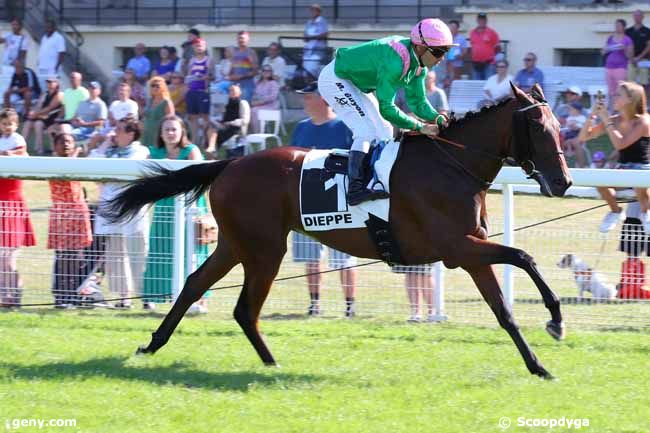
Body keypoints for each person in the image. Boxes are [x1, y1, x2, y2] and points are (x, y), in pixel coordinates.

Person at [318, 18, 453, 205]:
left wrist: (437, 117)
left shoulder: (418, 67)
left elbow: (418, 102)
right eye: (439, 52)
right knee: (365, 131)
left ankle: (377, 179)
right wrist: (421, 127)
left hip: (354, 83)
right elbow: (387, 108)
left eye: (446, 51)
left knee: (385, 130)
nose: (442, 58)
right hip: (335, 79)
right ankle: (355, 189)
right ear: (421, 47)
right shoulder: (395, 63)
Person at [290, 83, 357, 317]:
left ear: (324, 100)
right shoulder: (300, 128)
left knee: (344, 257)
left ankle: (350, 305)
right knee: (310, 256)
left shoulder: (344, 127)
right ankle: (314, 304)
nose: (304, 101)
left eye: (309, 97)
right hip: (306, 200)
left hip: (339, 200)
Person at [142, 115, 210, 313]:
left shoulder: (191, 151)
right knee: (161, 252)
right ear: (161, 133)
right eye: (167, 130)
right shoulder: (154, 153)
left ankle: (199, 300)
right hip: (165, 209)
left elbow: (200, 178)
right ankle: (152, 297)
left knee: (194, 254)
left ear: (182, 131)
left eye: (174, 129)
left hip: (191, 209)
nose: (171, 133)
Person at [92, 118, 150, 308]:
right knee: (115, 254)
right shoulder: (108, 151)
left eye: (118, 130)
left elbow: (125, 171)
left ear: (131, 134)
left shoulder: (140, 151)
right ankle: (122, 297)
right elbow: (91, 164)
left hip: (132, 211)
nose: (114, 133)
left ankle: (145, 297)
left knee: (138, 253)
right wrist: (105, 145)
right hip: (111, 210)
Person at [578, 81, 650, 233]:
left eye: (618, 95)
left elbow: (620, 144)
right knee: (600, 180)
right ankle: (615, 211)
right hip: (623, 169)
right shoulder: (614, 120)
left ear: (631, 99)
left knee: (639, 185)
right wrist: (592, 114)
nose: (614, 97)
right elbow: (584, 136)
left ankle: (646, 213)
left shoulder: (644, 121)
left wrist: (606, 119)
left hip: (642, 169)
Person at [48, 133, 93, 307]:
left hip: (77, 213)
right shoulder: (51, 163)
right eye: (62, 141)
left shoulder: (79, 162)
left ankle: (73, 293)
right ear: (55, 146)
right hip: (61, 214)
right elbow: (64, 173)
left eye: (69, 142)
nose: (65, 145)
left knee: (76, 256)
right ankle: (61, 294)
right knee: (62, 256)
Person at [0, 108, 36, 308]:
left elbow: (21, 153)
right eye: (3, 123)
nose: (6, 127)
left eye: (9, 123)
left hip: (11, 206)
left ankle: (14, 296)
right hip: (0, 205)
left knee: (8, 258)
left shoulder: (18, 142)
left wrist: (9, 154)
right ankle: (4, 298)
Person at [88, 82, 139, 150]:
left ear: (129, 92)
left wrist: (117, 123)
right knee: (94, 137)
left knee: (108, 137)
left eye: (123, 90)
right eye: (120, 90)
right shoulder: (114, 103)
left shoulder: (132, 104)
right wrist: (115, 122)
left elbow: (128, 120)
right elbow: (110, 117)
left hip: (122, 130)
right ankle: (90, 157)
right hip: (110, 128)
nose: (121, 92)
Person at [21, 75, 63, 155]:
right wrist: (33, 112)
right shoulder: (45, 94)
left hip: (52, 119)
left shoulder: (60, 94)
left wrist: (35, 114)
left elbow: (50, 108)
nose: (49, 84)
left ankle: (39, 149)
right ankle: (21, 146)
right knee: (28, 123)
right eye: (48, 82)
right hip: (43, 117)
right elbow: (39, 105)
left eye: (51, 82)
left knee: (38, 124)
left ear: (57, 83)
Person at [206, 83, 250, 152]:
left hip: (235, 128)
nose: (231, 92)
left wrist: (231, 123)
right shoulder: (228, 103)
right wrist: (218, 121)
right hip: (225, 126)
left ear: (239, 92)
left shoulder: (243, 103)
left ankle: (212, 149)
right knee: (210, 127)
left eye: (233, 91)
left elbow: (245, 120)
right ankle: (212, 149)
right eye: (230, 91)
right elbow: (224, 118)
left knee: (214, 131)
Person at [185, 38, 211, 147]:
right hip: (192, 91)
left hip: (203, 91)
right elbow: (188, 75)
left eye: (201, 45)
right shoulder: (192, 60)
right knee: (192, 117)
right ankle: (195, 141)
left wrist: (202, 77)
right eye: (196, 46)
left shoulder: (209, 60)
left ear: (205, 47)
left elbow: (212, 76)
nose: (199, 47)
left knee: (205, 117)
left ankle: (206, 140)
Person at [603, 19, 634, 107]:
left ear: (624, 27)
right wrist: (607, 49)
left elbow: (630, 56)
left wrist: (624, 49)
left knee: (620, 90)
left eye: (619, 26)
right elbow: (603, 51)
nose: (617, 27)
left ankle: (620, 109)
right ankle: (613, 110)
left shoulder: (627, 39)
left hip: (620, 67)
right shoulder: (610, 38)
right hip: (609, 67)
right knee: (611, 91)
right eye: (616, 25)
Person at [140, 76, 174, 147]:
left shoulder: (166, 102)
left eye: (157, 86)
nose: (155, 88)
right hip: (146, 134)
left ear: (163, 87)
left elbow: (171, 121)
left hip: (158, 135)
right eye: (152, 85)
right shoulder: (150, 100)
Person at [469, 13, 500, 80]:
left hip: (489, 64)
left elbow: (498, 48)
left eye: (483, 19)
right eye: (480, 19)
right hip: (476, 64)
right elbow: (473, 47)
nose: (482, 21)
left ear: (486, 21)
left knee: (488, 85)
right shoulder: (472, 32)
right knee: (476, 85)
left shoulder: (492, 32)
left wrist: (491, 58)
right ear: (477, 20)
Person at [250, 65, 281, 133]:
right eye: (264, 70)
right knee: (247, 110)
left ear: (271, 72)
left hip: (271, 105)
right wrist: (253, 101)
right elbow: (255, 94)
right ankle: (250, 132)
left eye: (268, 71)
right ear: (261, 72)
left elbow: (273, 97)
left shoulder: (273, 83)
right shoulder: (258, 83)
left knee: (254, 110)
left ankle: (257, 133)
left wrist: (260, 102)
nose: (266, 72)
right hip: (258, 104)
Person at [229, 31, 259, 102]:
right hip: (235, 86)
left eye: (242, 38)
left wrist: (241, 76)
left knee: (245, 109)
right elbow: (231, 70)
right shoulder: (234, 53)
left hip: (247, 86)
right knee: (235, 109)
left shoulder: (251, 52)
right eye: (239, 38)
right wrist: (230, 76)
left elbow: (256, 71)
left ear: (248, 39)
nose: (241, 40)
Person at [37, 20, 66, 88]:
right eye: (47, 27)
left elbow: (62, 54)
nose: (48, 28)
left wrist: (56, 68)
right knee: (43, 90)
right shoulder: (44, 37)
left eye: (50, 27)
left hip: (52, 70)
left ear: (54, 27)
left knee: (52, 90)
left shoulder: (59, 38)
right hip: (42, 68)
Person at [303, 4, 329, 78]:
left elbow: (324, 34)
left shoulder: (322, 21)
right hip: (308, 50)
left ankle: (316, 85)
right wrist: (310, 37)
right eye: (312, 10)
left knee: (312, 68)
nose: (313, 12)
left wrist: (311, 37)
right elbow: (305, 37)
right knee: (305, 70)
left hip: (317, 50)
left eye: (315, 10)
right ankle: (310, 86)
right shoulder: (308, 22)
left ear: (319, 12)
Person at [625, 10, 650, 87]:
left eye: (639, 16)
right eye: (635, 16)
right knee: (630, 84)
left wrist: (639, 58)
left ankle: (643, 99)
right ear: (633, 17)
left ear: (643, 17)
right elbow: (625, 46)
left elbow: (649, 46)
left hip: (644, 60)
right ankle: (633, 99)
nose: (637, 18)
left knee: (644, 83)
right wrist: (631, 58)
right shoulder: (628, 31)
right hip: (631, 60)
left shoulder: (647, 31)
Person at [561, 102, 588, 167]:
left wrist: (576, 127)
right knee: (564, 143)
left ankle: (581, 165)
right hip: (569, 134)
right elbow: (566, 126)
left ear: (577, 110)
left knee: (574, 142)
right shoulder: (569, 117)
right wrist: (567, 126)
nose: (570, 111)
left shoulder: (582, 118)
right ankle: (563, 165)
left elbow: (584, 128)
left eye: (571, 109)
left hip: (578, 134)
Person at [445, 20, 469, 86]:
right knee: (447, 82)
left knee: (456, 82)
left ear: (457, 28)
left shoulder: (461, 39)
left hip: (457, 65)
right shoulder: (445, 38)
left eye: (453, 27)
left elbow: (465, 51)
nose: (452, 29)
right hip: (447, 65)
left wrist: (460, 56)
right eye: (450, 27)